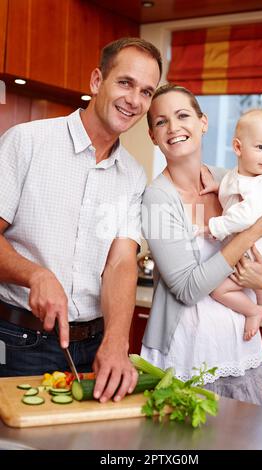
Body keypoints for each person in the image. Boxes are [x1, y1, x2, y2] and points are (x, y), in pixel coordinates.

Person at [0, 37, 162, 403]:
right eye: (125, 82)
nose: (134, 100)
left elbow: (121, 263)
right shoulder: (26, 142)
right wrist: (35, 274)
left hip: (93, 348)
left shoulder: (134, 175)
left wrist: (117, 342)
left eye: (146, 91)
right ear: (96, 81)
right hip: (18, 342)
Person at [141, 84, 262, 406]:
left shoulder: (230, 178)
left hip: (242, 350)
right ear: (152, 136)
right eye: (161, 121)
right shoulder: (157, 199)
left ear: (202, 123)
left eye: (182, 115)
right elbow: (188, 289)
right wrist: (248, 234)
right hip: (189, 355)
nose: (174, 127)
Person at [208, 109, 262, 341]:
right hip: (246, 251)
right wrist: (217, 188)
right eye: (261, 147)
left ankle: (254, 310)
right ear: (238, 148)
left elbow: (245, 216)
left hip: (260, 255)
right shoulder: (235, 176)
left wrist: (215, 226)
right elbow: (231, 191)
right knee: (252, 280)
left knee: (218, 290)